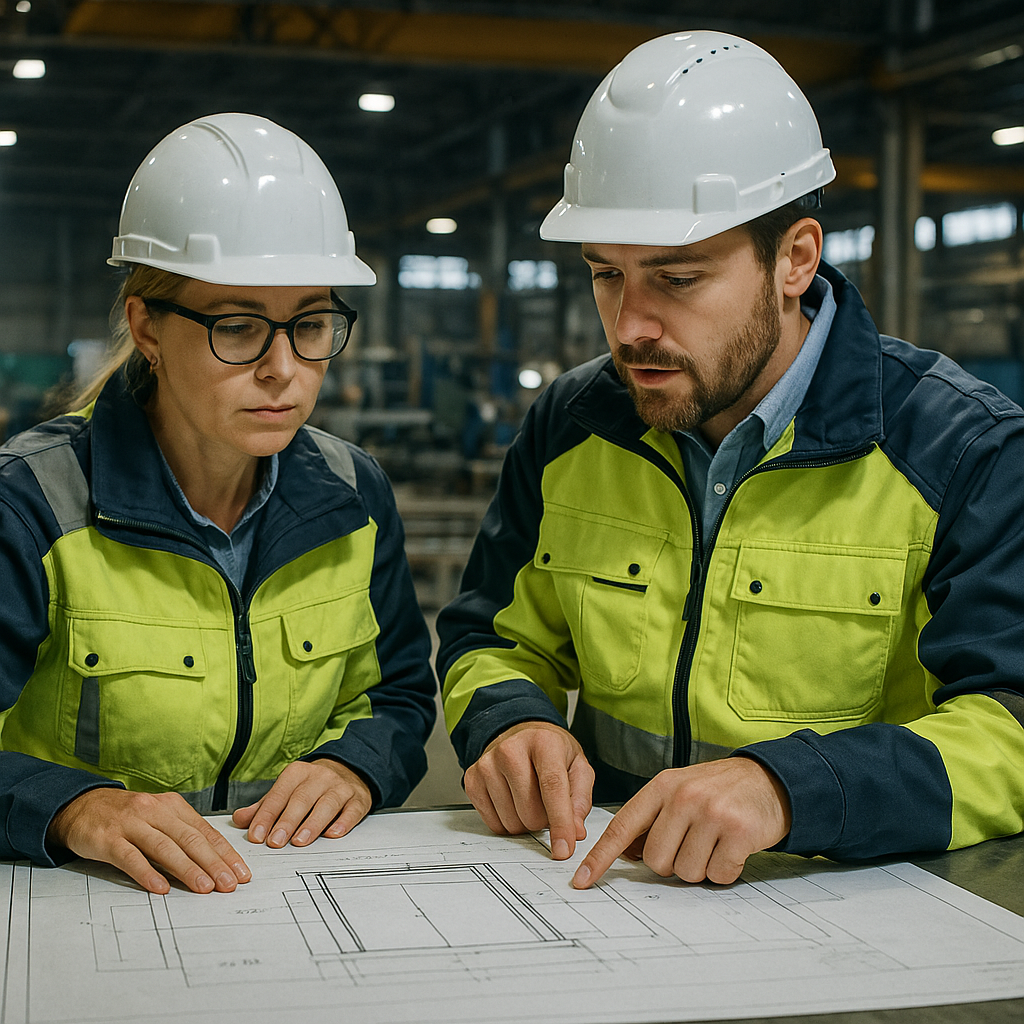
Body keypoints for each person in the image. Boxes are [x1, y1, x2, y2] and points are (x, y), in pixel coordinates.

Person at [436, 31, 1024, 889]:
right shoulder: (573, 424)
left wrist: (789, 790)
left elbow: (1010, 725)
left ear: (794, 259)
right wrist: (509, 722)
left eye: (676, 279)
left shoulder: (958, 450)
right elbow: (491, 633)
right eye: (606, 274)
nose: (630, 324)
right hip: (606, 893)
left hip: (839, 905)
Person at [0, 113, 436, 895]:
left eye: (310, 324)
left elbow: (399, 693)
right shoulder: (32, 504)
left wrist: (355, 764)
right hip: (91, 901)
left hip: (285, 894)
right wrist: (71, 807)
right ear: (148, 328)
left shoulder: (353, 492)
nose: (283, 369)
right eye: (237, 328)